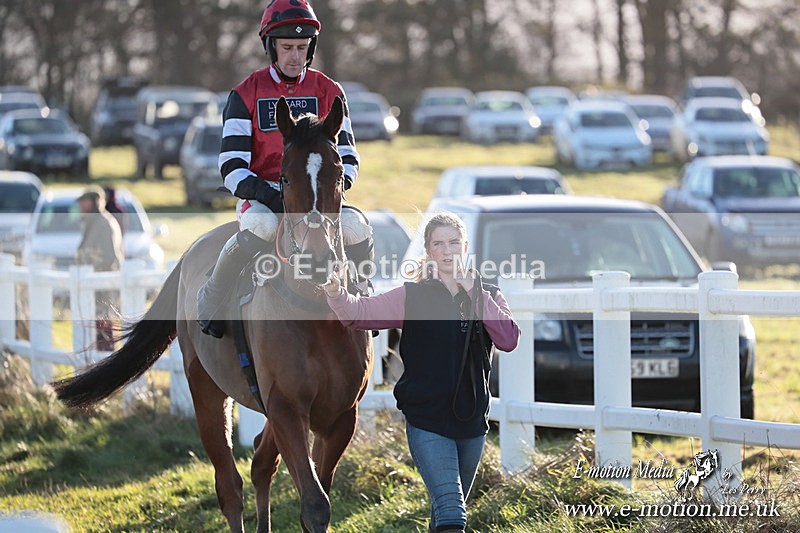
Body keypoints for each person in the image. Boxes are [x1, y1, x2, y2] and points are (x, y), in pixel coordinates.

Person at [322, 212, 520, 533]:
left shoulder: (489, 295)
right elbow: (358, 314)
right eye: (438, 244)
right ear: (428, 251)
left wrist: (475, 293)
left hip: (472, 423)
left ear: (465, 246)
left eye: (454, 242)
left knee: (444, 514)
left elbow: (508, 339)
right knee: (454, 514)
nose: (447, 250)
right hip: (427, 422)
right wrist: (335, 293)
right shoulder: (411, 296)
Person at [197, 0, 373, 338]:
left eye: (302, 48)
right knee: (262, 225)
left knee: (357, 227)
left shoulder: (330, 91)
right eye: (287, 47)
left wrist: (331, 191)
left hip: (318, 197)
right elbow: (231, 166)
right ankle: (213, 296)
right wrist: (272, 197)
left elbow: (348, 156)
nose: (295, 56)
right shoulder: (245, 93)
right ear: (271, 47)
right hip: (262, 196)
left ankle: (362, 290)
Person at [76, 186, 124, 351]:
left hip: (102, 289)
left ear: (94, 203)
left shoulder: (103, 223)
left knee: (104, 334)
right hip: (93, 288)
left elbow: (108, 257)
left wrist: (88, 272)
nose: (81, 206)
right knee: (95, 334)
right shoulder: (93, 223)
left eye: (84, 202)